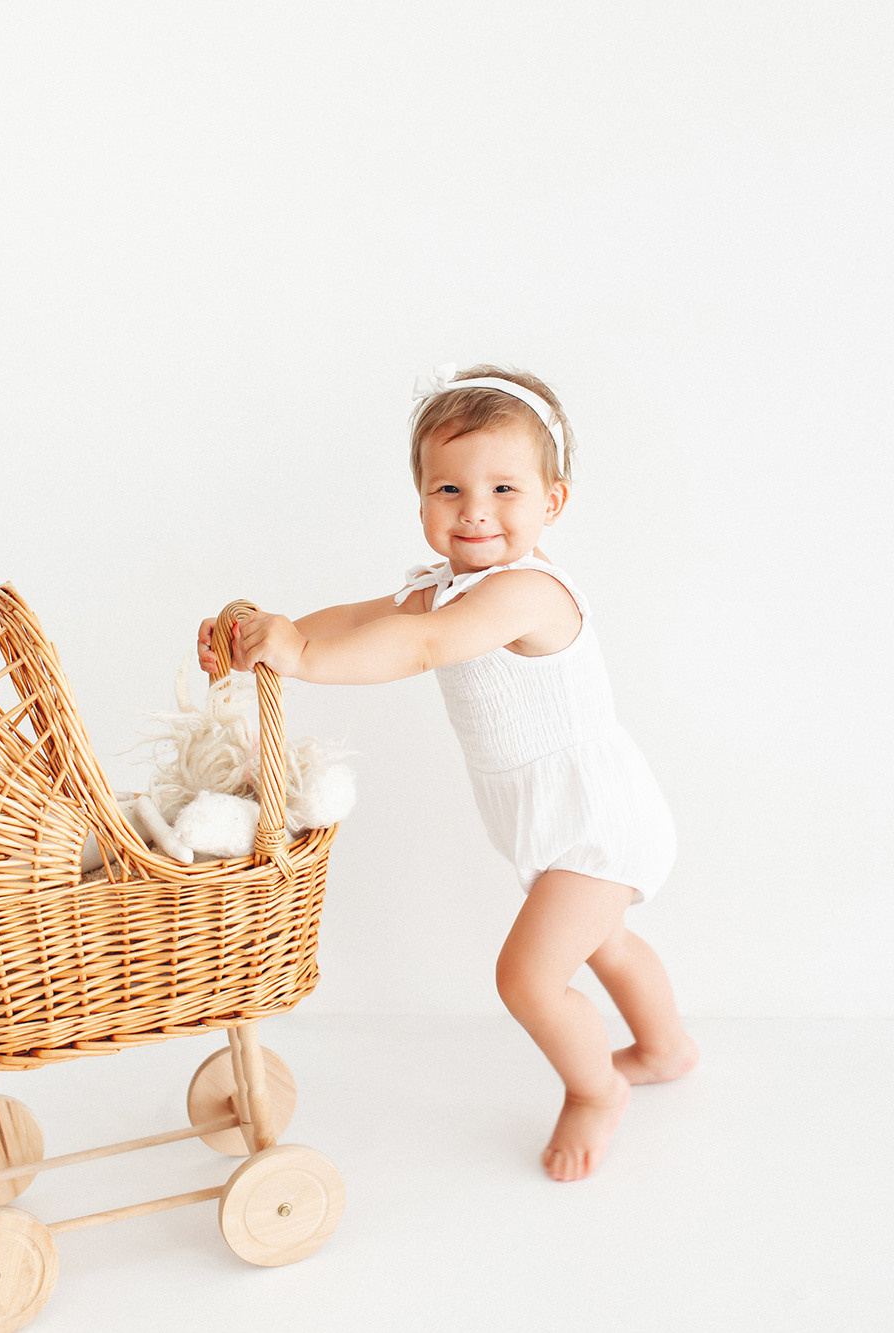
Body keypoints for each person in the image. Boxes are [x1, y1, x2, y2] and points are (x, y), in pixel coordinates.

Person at [198, 363, 697, 1182]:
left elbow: (422, 646)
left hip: (595, 817)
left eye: (505, 488)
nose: (476, 511)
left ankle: (596, 1088)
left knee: (528, 978)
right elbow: (359, 618)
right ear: (422, 500)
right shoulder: (444, 585)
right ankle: (667, 1046)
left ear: (552, 501)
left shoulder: (528, 592)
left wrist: (305, 659)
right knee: (607, 942)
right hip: (557, 814)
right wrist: (271, 637)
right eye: (449, 489)